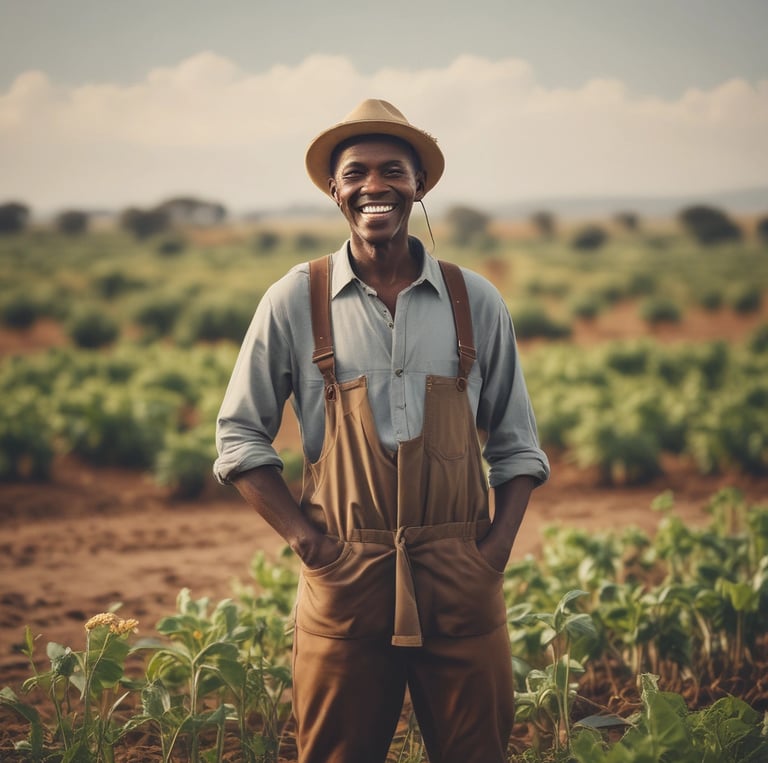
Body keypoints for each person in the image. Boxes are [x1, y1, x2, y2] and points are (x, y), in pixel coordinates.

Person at [214, 98, 550, 763]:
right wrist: (312, 546)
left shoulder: (473, 300)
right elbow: (239, 439)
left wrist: (489, 558)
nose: (376, 186)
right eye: (357, 172)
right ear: (335, 191)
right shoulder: (296, 298)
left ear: (418, 185)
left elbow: (517, 446)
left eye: (393, 170)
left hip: (459, 572)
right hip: (345, 573)